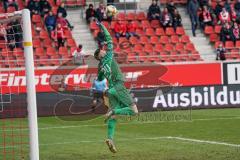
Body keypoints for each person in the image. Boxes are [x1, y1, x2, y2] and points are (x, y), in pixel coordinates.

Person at [94, 20, 138, 153]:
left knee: (113, 119)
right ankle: (114, 111)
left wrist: (103, 72)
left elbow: (100, 78)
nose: (103, 50)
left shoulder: (100, 66)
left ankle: (110, 138)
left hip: (110, 90)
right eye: (102, 50)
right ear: (100, 54)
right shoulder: (107, 57)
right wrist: (102, 26)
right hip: (118, 86)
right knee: (134, 111)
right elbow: (109, 39)